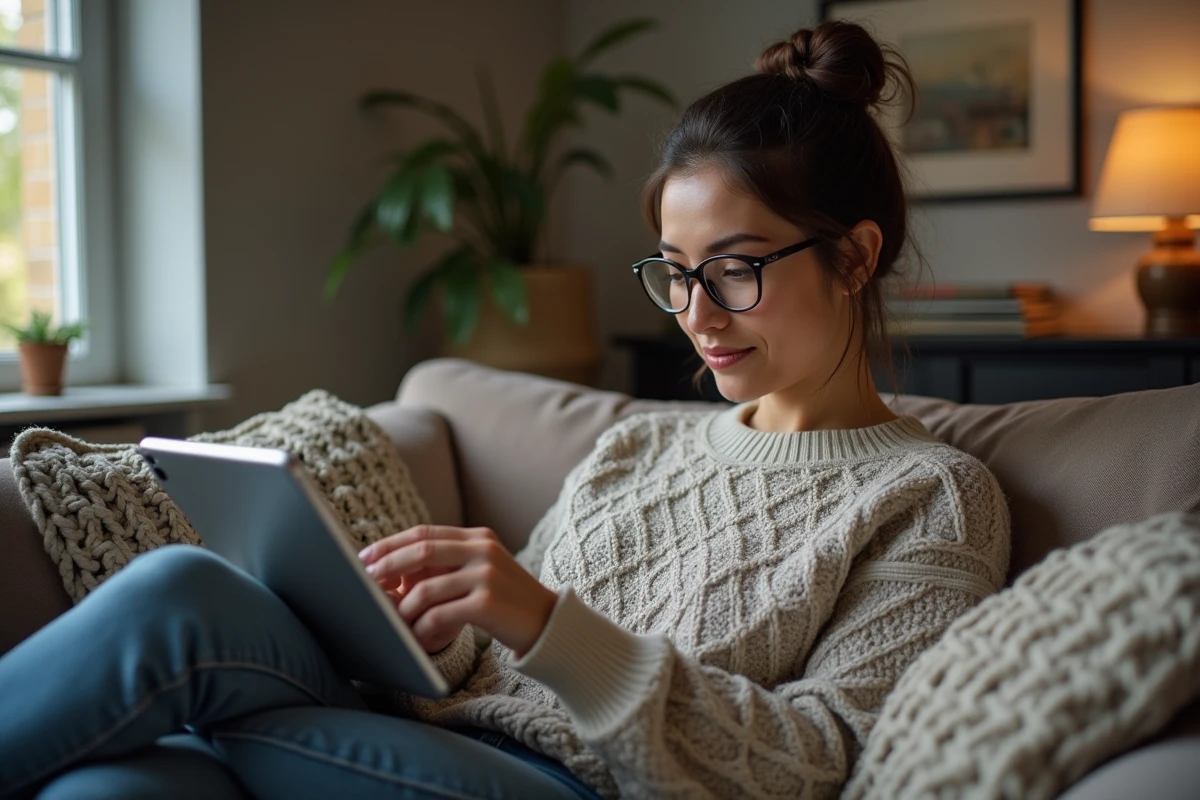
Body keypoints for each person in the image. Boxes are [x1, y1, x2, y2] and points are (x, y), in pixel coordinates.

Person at [0, 19, 1010, 800]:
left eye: (736, 270)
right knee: (123, 773)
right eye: (674, 273)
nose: (695, 314)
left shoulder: (932, 494)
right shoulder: (637, 445)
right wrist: (403, 622)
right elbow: (487, 667)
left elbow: (818, 762)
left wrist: (540, 617)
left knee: (181, 635)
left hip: (583, 786)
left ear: (858, 255)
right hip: (446, 736)